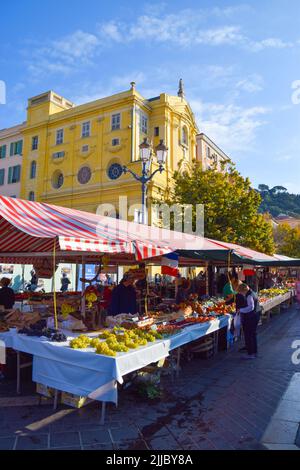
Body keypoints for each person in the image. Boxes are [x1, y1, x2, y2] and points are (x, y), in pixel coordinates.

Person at [237, 283, 261, 359]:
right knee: (253, 334)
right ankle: (254, 351)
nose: (241, 294)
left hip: (251, 317)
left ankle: (250, 353)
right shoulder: (253, 292)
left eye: (240, 292)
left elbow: (251, 307)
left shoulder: (249, 295)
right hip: (256, 315)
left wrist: (241, 310)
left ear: (243, 290)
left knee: (249, 334)